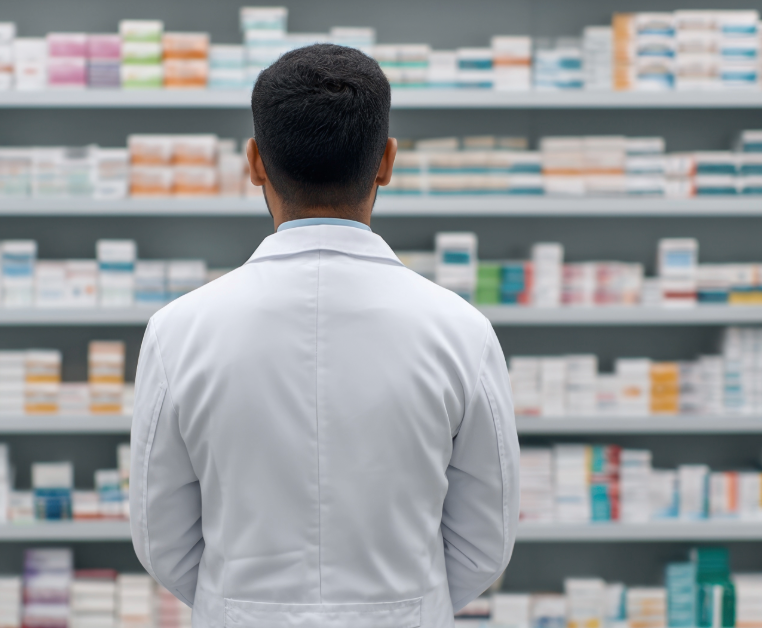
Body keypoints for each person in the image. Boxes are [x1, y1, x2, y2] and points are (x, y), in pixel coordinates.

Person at [129, 43, 519, 628]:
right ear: (386, 161)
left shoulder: (178, 331)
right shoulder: (460, 332)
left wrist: (248, 607)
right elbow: (484, 539)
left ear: (255, 162)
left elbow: (161, 538)